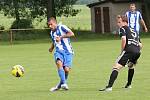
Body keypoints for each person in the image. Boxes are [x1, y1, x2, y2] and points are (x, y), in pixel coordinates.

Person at [99, 15, 141, 92]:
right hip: (137, 51)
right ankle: (128, 85)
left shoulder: (122, 28)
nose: (118, 24)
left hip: (128, 50)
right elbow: (140, 45)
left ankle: (109, 87)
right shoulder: (135, 31)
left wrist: (122, 51)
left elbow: (123, 39)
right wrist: (136, 53)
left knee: (116, 67)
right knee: (131, 66)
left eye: (119, 22)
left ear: (125, 22)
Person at [48, 17, 75, 92]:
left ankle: (59, 86)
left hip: (68, 52)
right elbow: (54, 41)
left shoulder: (62, 27)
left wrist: (61, 37)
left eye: (51, 24)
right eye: (49, 25)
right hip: (58, 51)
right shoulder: (51, 32)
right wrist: (51, 48)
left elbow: (72, 34)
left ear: (55, 23)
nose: (50, 26)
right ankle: (64, 83)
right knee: (59, 63)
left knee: (66, 70)